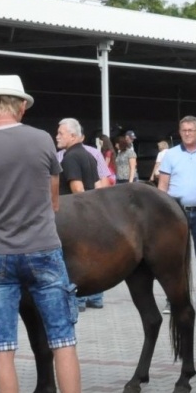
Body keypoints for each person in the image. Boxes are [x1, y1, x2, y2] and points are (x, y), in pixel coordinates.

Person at [0, 76, 114, 393]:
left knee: (3, 347)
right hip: (42, 250)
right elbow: (54, 202)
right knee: (63, 341)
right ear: (22, 106)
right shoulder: (41, 141)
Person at [157, 116, 196, 312]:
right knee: (175, 258)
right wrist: (162, 214)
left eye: (191, 130)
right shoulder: (171, 155)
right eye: (183, 130)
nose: (187, 133)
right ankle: (174, 298)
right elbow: (163, 185)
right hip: (175, 213)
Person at [56, 118, 106, 307]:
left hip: (74, 219)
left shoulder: (70, 157)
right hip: (90, 216)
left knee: (75, 260)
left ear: (73, 136)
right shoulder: (89, 155)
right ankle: (96, 297)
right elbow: (98, 185)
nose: (57, 137)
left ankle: (80, 299)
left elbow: (77, 189)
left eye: (61, 133)